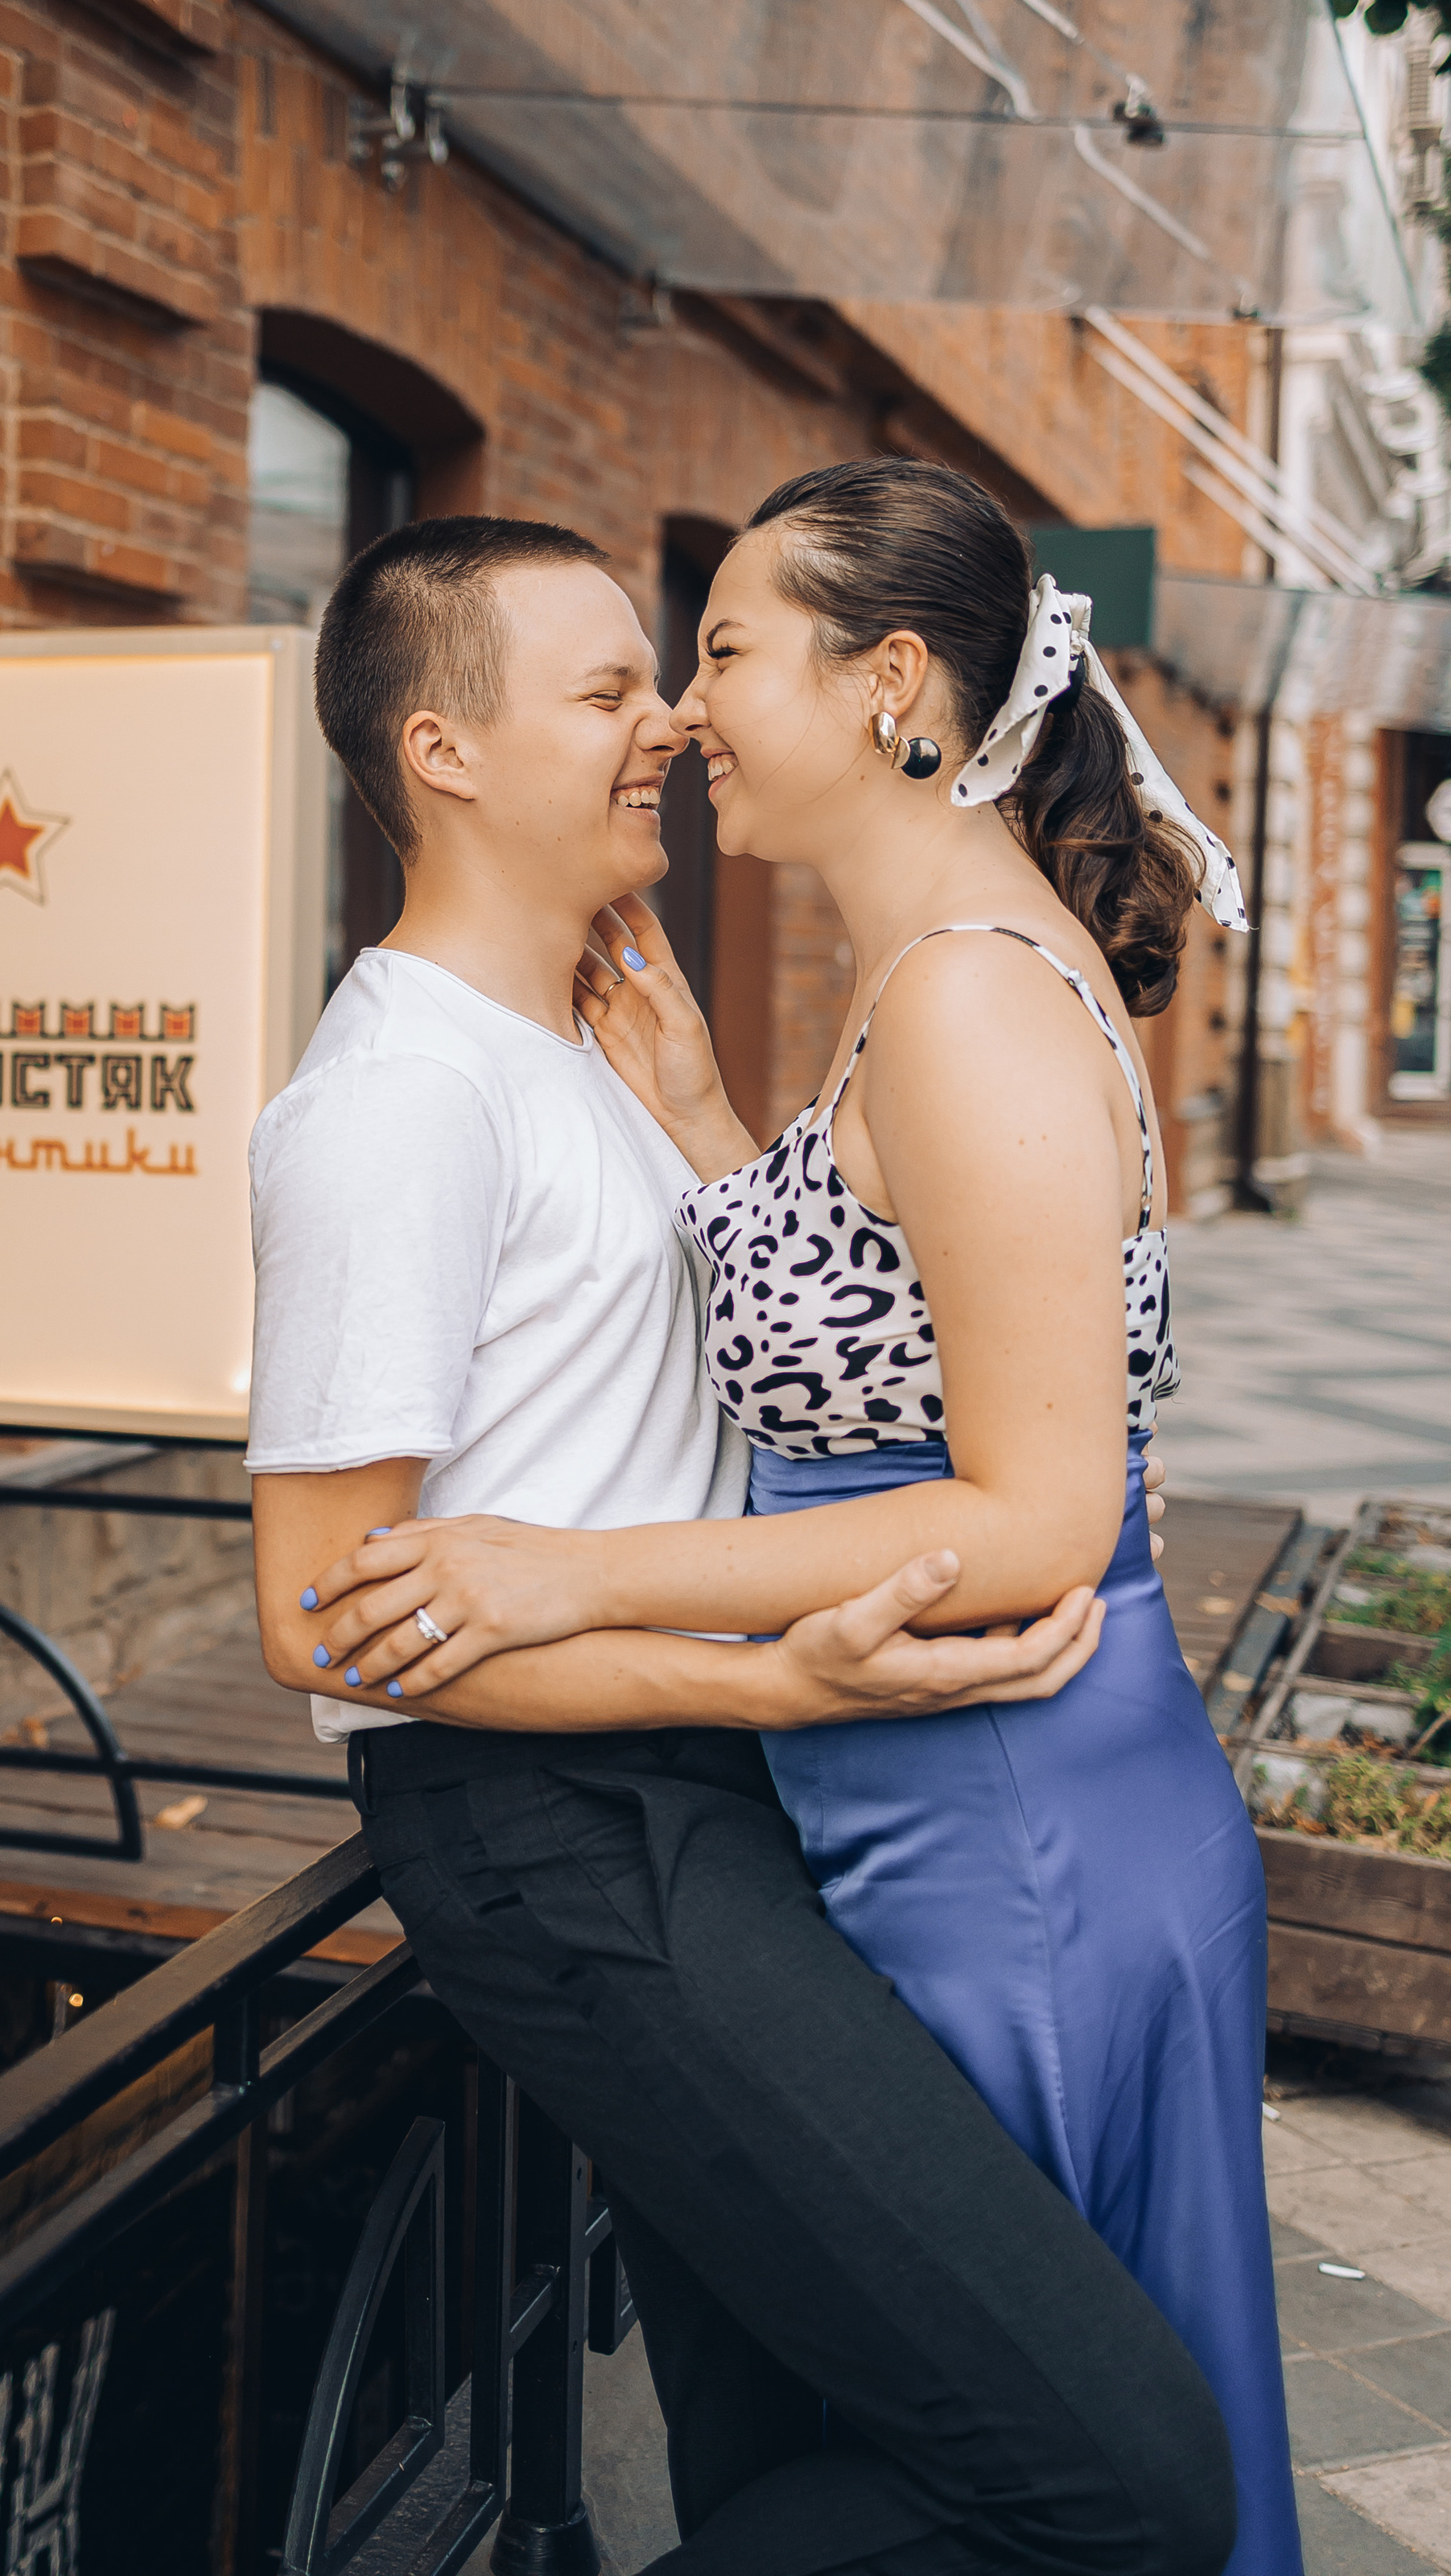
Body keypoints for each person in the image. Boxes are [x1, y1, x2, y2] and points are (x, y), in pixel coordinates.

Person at [298, 474, 1296, 2576]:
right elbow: (883, 1341)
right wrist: (712, 1139)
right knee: (948, 2439)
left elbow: (1029, 1505)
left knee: (1045, 2460)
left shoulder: (958, 987)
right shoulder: (891, 980)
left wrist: (579, 1576)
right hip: (880, 1767)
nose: (682, 710)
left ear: (896, 690)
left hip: (996, 1792)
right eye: (641, 675)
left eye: (723, 650)